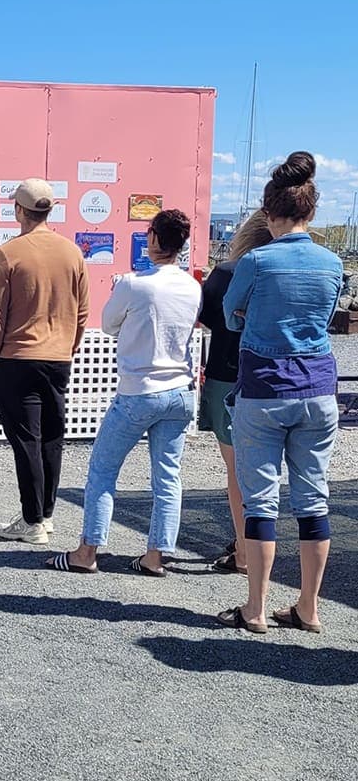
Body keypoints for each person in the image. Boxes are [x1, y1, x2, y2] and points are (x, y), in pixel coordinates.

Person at [217, 152, 342, 634]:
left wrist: (252, 321)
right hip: (318, 386)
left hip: (265, 388)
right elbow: (326, 317)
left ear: (269, 214)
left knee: (261, 500)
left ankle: (256, 607)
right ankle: (308, 606)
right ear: (310, 212)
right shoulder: (332, 264)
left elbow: (230, 314)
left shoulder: (257, 260)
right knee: (313, 499)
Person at [46, 209, 201, 575]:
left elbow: (108, 324)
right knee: (168, 477)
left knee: (103, 469)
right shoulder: (192, 286)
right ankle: (155, 556)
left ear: (154, 238)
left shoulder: (133, 284)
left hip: (139, 391)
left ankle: (87, 551)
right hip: (181, 391)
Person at [0, 178, 90, 545]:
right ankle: (45, 513)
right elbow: (82, 312)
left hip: (16, 357)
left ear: (19, 210)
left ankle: (32, 520)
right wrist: (68, 348)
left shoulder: (7, 254)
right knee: (51, 438)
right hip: (58, 357)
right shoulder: (72, 252)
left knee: (26, 439)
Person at [198, 210, 272, 575]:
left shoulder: (227, 273)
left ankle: (244, 550)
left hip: (226, 376)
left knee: (237, 472)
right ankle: (249, 543)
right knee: (264, 472)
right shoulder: (278, 274)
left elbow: (207, 318)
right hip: (271, 378)